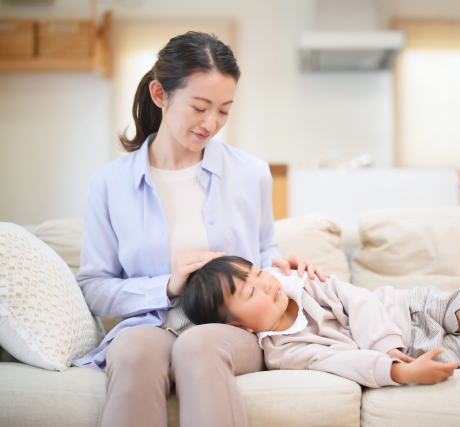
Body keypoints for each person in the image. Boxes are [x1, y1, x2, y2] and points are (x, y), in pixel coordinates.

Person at [72, 31, 327, 427]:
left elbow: (261, 256)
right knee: (134, 349)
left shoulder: (251, 173)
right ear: (160, 94)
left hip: (231, 330)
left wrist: (281, 267)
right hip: (153, 324)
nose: (212, 123)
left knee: (197, 344)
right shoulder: (109, 185)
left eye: (224, 110)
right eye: (199, 107)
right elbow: (94, 288)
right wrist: (167, 287)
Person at [181, 256, 460, 388]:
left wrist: (385, 344)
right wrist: (398, 368)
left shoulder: (298, 283)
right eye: (250, 293)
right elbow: (341, 363)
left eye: (257, 274)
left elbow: (357, 300)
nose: (265, 285)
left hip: (407, 310)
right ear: (241, 328)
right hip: (415, 352)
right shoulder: (286, 353)